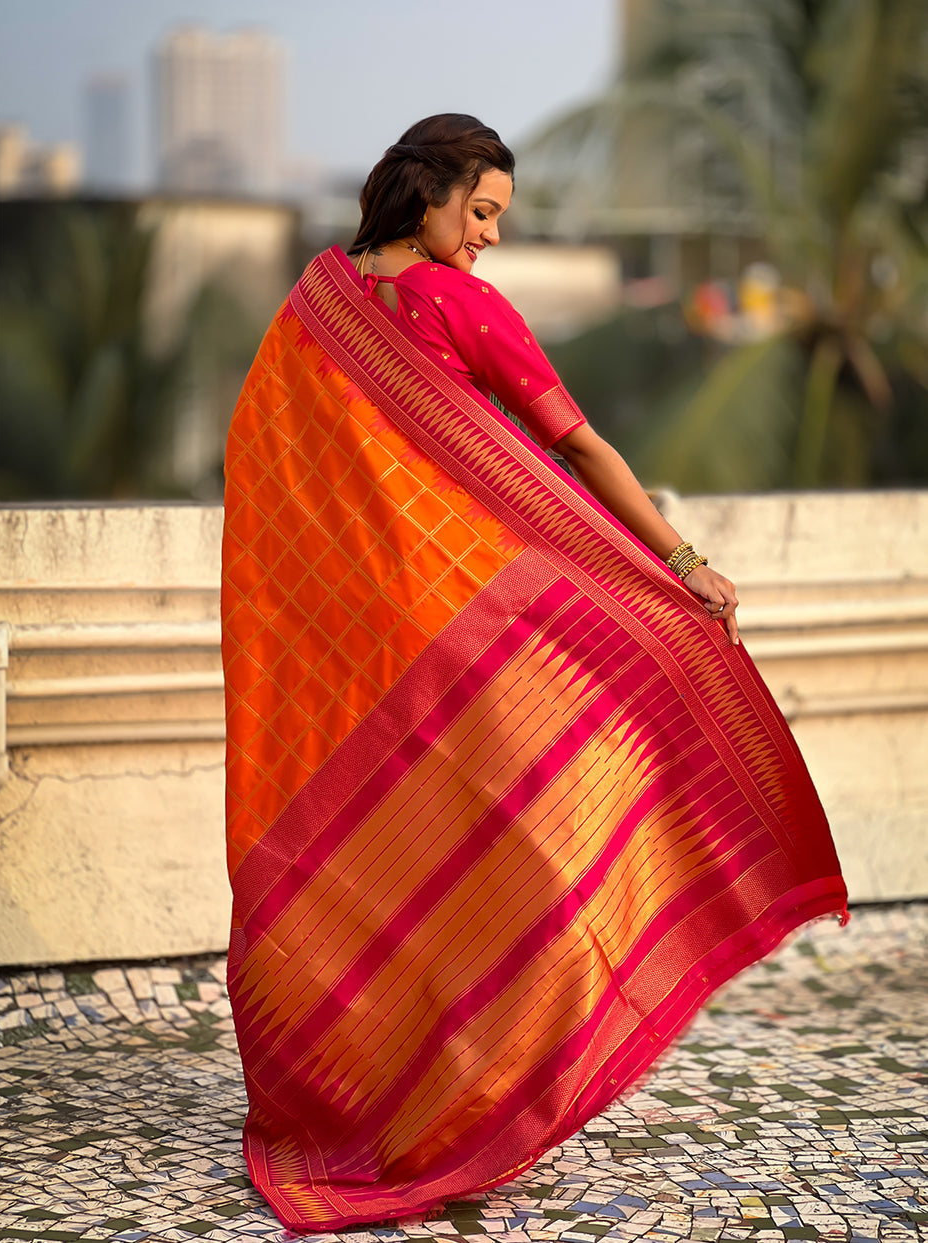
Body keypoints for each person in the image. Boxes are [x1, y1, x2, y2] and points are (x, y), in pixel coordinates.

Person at [221, 114, 847, 1234]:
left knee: (397, 871)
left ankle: (376, 1089)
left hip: (369, 656)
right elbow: (581, 446)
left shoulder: (314, 300)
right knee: (521, 851)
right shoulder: (457, 307)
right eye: (481, 213)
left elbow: (268, 469)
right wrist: (681, 561)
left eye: (499, 221)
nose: (489, 240)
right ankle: (465, 1093)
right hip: (464, 643)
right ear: (428, 196)